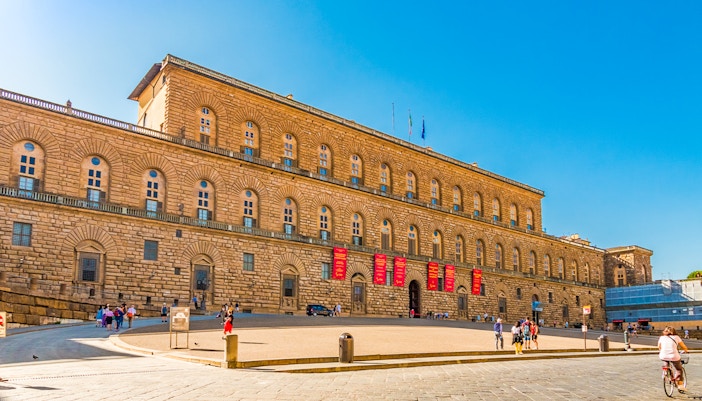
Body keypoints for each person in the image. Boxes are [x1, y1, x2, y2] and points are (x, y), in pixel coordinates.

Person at [658, 326, 689, 390]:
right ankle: (680, 385)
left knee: (666, 362)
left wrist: (663, 351)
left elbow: (659, 347)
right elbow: (683, 346)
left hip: (663, 355)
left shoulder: (661, 337)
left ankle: (665, 372)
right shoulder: (676, 337)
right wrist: (686, 350)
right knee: (679, 369)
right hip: (674, 356)